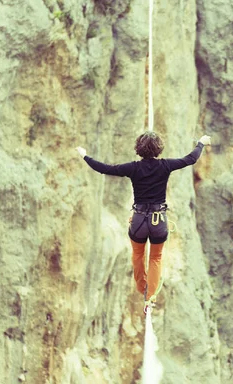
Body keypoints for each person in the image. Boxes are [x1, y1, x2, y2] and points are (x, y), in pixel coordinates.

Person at [76, 131, 211, 312]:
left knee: (138, 255)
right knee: (155, 257)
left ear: (138, 149)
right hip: (158, 220)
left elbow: (104, 168)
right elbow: (190, 159)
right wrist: (201, 143)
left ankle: (142, 288)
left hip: (139, 219)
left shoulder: (133, 168)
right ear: (159, 149)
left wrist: (84, 155)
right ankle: (150, 298)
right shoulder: (165, 166)